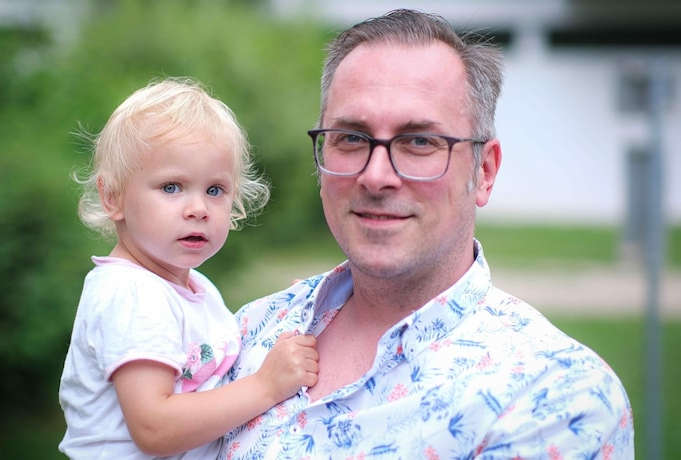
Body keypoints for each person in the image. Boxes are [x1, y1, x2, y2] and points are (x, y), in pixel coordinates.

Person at [220, 9, 634, 459]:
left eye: (419, 142)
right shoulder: (246, 333)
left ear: (485, 171)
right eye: (352, 138)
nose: (376, 176)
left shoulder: (553, 396)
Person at [58, 77, 319, 459]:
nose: (198, 208)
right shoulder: (132, 294)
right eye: (171, 187)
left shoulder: (195, 287)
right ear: (112, 196)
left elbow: (226, 367)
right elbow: (154, 428)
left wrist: (289, 312)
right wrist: (267, 386)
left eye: (215, 190)